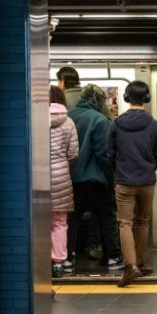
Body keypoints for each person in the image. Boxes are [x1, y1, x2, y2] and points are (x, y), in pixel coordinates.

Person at [107, 81, 157, 287]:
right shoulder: (154, 125)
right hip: (147, 181)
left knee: (125, 223)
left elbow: (110, 154)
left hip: (124, 181)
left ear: (126, 98)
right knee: (143, 221)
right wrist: (148, 169)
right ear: (146, 99)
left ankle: (131, 266)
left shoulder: (116, 125)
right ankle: (138, 261)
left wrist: (120, 172)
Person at [67, 84, 123, 271]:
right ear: (98, 101)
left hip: (73, 179)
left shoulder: (69, 116)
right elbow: (103, 154)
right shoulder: (99, 120)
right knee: (106, 218)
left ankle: (67, 258)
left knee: (72, 220)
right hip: (97, 179)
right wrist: (111, 179)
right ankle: (112, 256)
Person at [48, 86, 79, 278]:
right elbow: (74, 153)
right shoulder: (68, 122)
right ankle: (58, 263)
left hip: (38, 175)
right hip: (61, 176)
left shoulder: (34, 119)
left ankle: (39, 260)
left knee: (38, 221)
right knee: (59, 222)